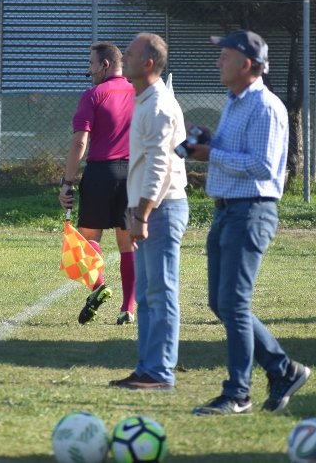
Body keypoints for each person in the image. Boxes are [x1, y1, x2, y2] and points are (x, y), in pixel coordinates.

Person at [189, 30, 310, 416]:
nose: (217, 61)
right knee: (220, 302)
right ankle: (282, 369)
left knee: (235, 304)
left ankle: (238, 393)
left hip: (251, 209)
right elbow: (235, 152)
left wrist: (213, 154)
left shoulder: (266, 106)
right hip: (227, 210)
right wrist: (211, 143)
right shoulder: (234, 101)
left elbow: (262, 166)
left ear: (246, 63)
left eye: (223, 55)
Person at [108, 33, 189, 391]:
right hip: (143, 207)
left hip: (160, 208)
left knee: (161, 292)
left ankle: (160, 373)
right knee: (145, 295)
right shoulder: (143, 99)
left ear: (149, 63)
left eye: (129, 54)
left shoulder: (158, 105)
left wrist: (141, 213)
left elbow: (161, 165)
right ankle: (146, 368)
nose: (123, 58)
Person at [59, 42, 137, 325]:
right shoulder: (139, 91)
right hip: (133, 173)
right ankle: (127, 308)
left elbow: (80, 140)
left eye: (91, 64)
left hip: (101, 172)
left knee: (89, 238)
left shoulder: (93, 94)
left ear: (105, 65)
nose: (88, 69)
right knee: (127, 243)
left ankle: (99, 287)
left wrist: (67, 182)